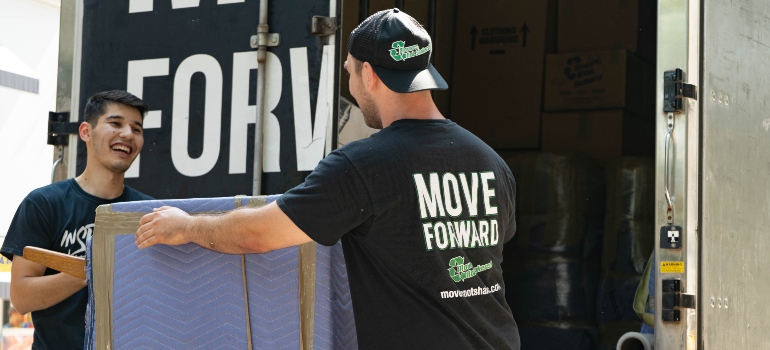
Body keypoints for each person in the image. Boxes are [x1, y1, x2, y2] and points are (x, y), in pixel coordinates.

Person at [136, 8, 520, 349]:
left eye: (350, 71)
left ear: (368, 74)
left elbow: (260, 233)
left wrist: (186, 227)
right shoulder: (492, 162)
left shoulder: (364, 165)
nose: (350, 83)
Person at [1, 90, 154, 349]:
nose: (127, 134)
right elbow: (21, 297)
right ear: (85, 132)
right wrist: (94, 268)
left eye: (136, 128)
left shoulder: (149, 212)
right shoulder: (43, 204)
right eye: (115, 123)